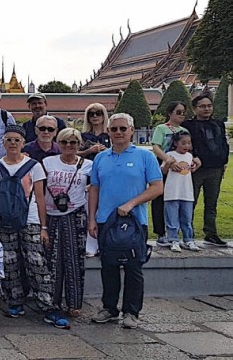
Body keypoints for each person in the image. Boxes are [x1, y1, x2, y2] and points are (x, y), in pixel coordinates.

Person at [0, 125, 68, 328]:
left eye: (16, 140)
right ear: (3, 144)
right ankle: (14, 301)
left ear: (23, 143)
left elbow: (40, 198)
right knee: (9, 261)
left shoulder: (34, 166)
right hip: (4, 219)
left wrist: (43, 227)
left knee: (36, 262)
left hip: (30, 218)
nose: (13, 143)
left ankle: (48, 305)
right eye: (9, 140)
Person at [89, 113, 163, 329]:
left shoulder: (144, 156)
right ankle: (109, 308)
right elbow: (94, 188)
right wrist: (92, 219)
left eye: (123, 129)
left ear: (131, 130)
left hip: (135, 220)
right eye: (114, 129)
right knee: (108, 266)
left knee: (134, 267)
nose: (119, 133)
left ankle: (131, 311)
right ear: (109, 132)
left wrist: (132, 203)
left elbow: (157, 187)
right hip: (106, 219)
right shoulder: (101, 158)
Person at [42, 128, 93, 317]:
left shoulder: (87, 165)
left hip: (75, 212)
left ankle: (74, 302)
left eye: (73, 142)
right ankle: (52, 301)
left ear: (79, 144)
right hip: (52, 213)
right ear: (58, 143)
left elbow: (94, 187)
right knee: (52, 259)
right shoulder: (48, 162)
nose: (69, 146)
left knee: (74, 258)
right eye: (64, 142)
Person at [183, 94, 230, 247]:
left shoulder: (218, 124)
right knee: (191, 202)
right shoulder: (188, 126)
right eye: (203, 106)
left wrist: (224, 161)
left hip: (215, 169)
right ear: (195, 109)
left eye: (209, 106)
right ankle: (187, 234)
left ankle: (211, 233)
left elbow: (223, 143)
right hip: (196, 169)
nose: (207, 109)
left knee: (211, 203)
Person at [149, 101, 190, 247]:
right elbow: (156, 146)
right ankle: (161, 233)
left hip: (180, 171)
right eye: (178, 112)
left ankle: (177, 232)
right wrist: (168, 160)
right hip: (164, 167)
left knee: (178, 200)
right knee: (159, 198)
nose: (181, 115)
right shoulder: (161, 128)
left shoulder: (185, 130)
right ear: (170, 113)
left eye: (183, 112)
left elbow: (188, 148)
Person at [161, 131, 201, 252]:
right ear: (175, 143)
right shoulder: (170, 155)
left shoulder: (190, 156)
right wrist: (168, 163)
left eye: (189, 143)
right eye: (183, 143)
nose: (186, 146)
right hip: (172, 192)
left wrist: (197, 165)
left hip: (186, 192)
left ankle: (189, 239)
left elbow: (191, 169)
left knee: (187, 218)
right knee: (172, 218)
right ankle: (173, 239)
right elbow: (163, 170)